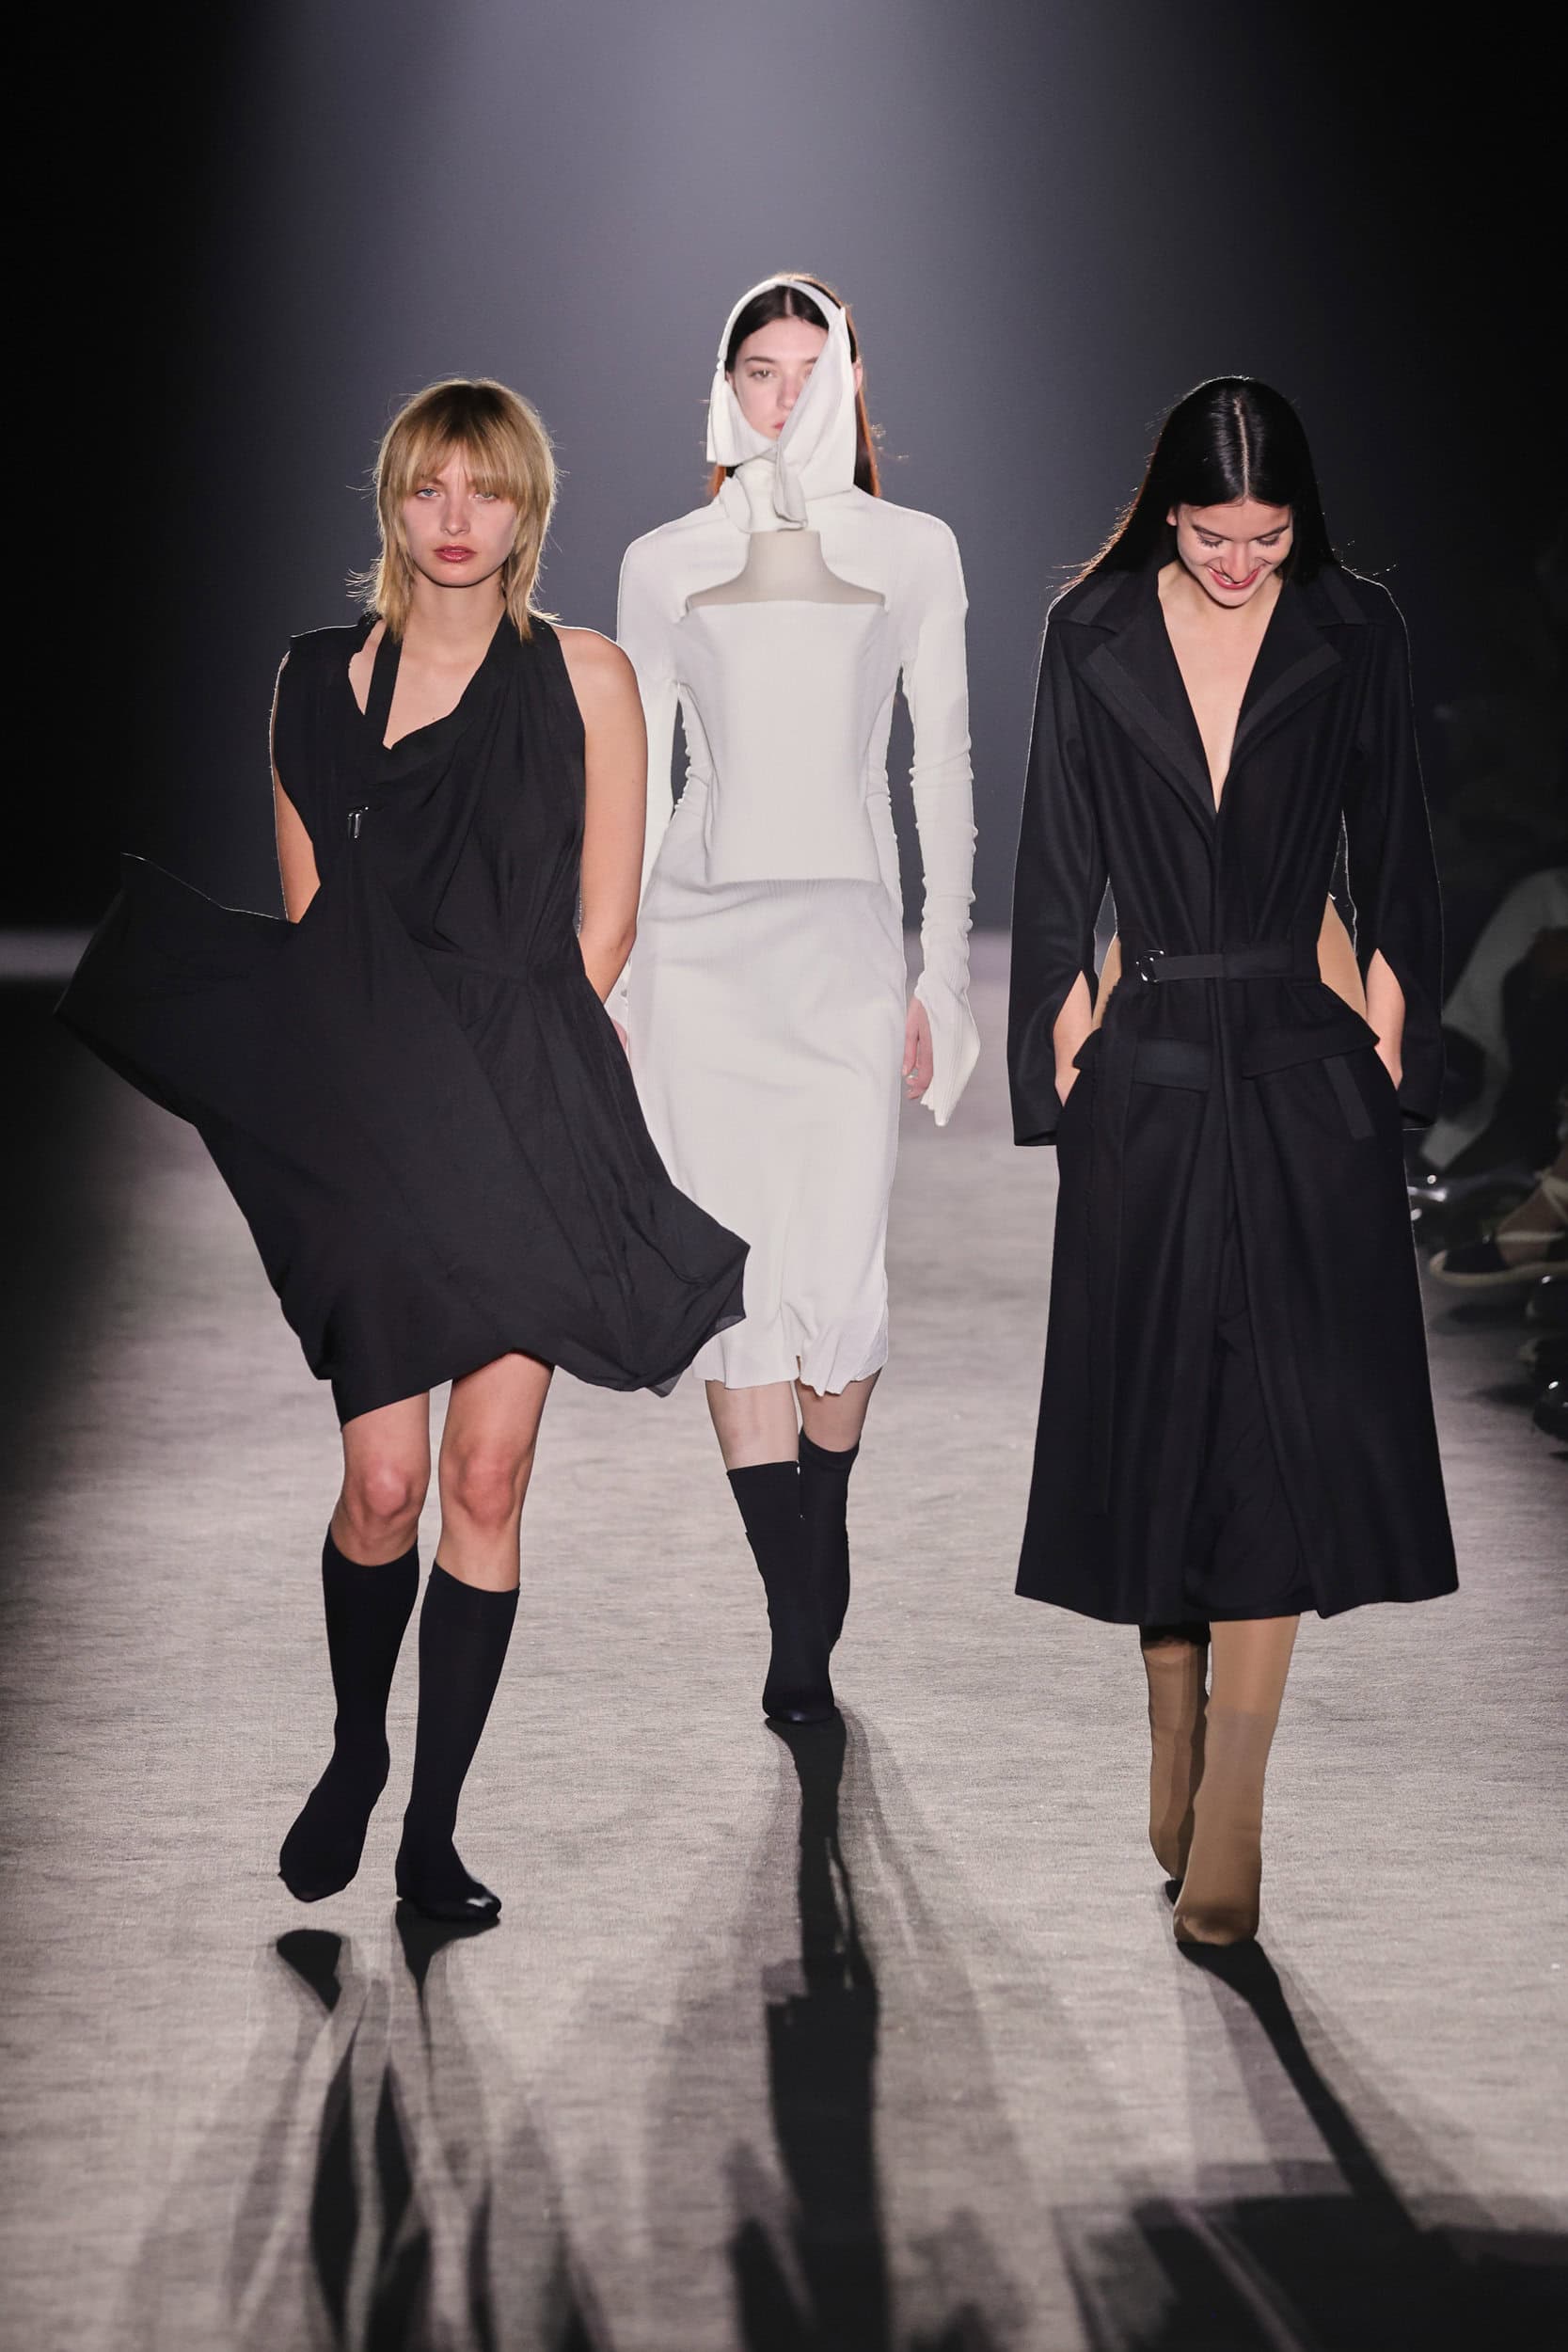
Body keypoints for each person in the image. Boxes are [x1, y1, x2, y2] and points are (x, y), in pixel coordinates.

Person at [59, 380, 747, 1922]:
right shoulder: (315, 681)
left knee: (485, 1476)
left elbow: (607, 924)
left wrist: (508, 1088)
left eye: (485, 491)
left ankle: (434, 1833)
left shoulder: (587, 678)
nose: (456, 519)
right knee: (382, 1484)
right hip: (373, 1112)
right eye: (430, 487)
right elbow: (316, 931)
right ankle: (359, 1747)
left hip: (529, 1108)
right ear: (392, 501)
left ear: (526, 510)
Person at [1007, 377, 1457, 1947]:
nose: (1240, 561)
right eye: (1212, 532)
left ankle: (1241, 1804)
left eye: (1267, 535)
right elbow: (1055, 857)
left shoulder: (1354, 628)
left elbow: (1398, 843)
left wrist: (1389, 1033)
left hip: (1299, 1063)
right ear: (1170, 511)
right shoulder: (1090, 631)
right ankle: (1171, 1729)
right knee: (1162, 1421)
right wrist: (1064, 1043)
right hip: (1144, 1065)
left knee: (1278, 1432)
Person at [615, 275, 979, 1724]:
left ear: (852, 383)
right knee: (736, 1288)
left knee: (839, 1272)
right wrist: (621, 975)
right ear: (727, 386)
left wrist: (939, 969)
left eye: (809, 368)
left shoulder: (915, 550)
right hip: (700, 952)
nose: (783, 394)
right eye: (759, 369)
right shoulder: (663, 561)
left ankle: (817, 1524)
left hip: (841, 948)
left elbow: (937, 766)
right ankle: (794, 1618)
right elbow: (639, 780)